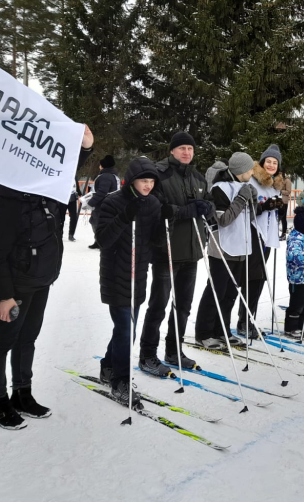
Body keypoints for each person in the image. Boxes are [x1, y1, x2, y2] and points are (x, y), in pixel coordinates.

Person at [0, 126, 93, 430]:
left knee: (27, 339)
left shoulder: (48, 195)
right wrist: (4, 295)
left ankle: (22, 392)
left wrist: (85, 148)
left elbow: (63, 164)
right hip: (16, 286)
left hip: (42, 280)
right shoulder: (6, 201)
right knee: (2, 342)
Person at [138, 132, 214, 377]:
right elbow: (155, 208)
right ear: (172, 150)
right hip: (166, 250)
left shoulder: (197, 177)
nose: (186, 152)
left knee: (183, 305)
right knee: (158, 305)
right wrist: (186, 211)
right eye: (181, 148)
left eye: (190, 149)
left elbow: (208, 203)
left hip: (191, 252)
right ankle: (147, 354)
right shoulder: (160, 175)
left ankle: (174, 350)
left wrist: (208, 207)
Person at [96, 157, 161, 405]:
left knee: (127, 329)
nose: (148, 185)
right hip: (116, 275)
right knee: (125, 329)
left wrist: (166, 220)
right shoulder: (113, 201)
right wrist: (125, 217)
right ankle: (120, 381)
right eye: (143, 180)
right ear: (132, 181)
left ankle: (108, 365)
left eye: (151, 181)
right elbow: (103, 239)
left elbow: (153, 241)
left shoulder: (153, 203)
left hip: (138, 274)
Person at [193, 152, 257, 349]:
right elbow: (223, 219)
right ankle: (203, 333)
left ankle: (222, 330)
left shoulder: (243, 186)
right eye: (250, 169)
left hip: (240, 246)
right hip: (222, 247)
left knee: (231, 292)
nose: (253, 172)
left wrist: (253, 201)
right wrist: (241, 199)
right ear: (240, 171)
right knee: (216, 291)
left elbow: (251, 216)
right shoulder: (219, 188)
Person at [236, 144, 285, 337]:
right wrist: (264, 207)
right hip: (253, 235)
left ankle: (249, 318)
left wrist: (279, 208)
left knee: (259, 279)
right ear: (262, 163)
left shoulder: (275, 185)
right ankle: (244, 320)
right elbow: (246, 209)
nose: (272, 165)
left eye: (275, 162)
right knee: (252, 278)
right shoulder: (253, 182)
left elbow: (274, 210)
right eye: (269, 162)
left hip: (267, 237)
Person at [284, 206, 304, 337]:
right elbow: (295, 257)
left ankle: (303, 323)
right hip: (297, 279)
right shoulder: (294, 241)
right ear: (301, 227)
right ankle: (291, 327)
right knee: (296, 304)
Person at [88, 155, 121, 249]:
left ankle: (101, 242)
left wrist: (90, 203)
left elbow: (102, 192)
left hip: (103, 204)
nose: (99, 166)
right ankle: (98, 241)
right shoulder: (112, 175)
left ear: (103, 166)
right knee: (97, 222)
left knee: (97, 223)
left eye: (100, 165)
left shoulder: (105, 177)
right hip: (108, 203)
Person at [278, 169, 292, 240]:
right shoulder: (278, 179)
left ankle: (283, 233)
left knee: (283, 218)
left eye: (280, 173)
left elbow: (288, 191)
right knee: (277, 218)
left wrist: (280, 191)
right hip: (278, 201)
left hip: (284, 201)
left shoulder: (287, 180)